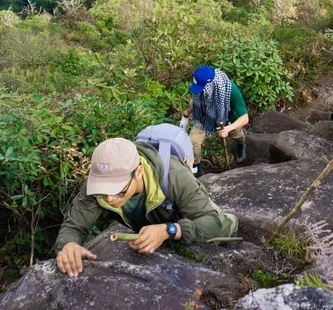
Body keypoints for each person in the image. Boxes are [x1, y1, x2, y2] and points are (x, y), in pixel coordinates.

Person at [54, 137, 238, 277]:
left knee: (223, 230)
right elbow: (73, 227)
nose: (110, 198)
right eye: (104, 191)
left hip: (213, 228)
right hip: (156, 229)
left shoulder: (174, 176)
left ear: (139, 172)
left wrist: (170, 230)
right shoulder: (96, 186)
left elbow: (213, 222)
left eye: (119, 190)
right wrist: (68, 245)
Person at [180, 65, 249, 168]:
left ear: (211, 84)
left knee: (236, 134)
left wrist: (228, 128)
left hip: (228, 119)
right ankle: (197, 168)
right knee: (193, 141)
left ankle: (241, 144)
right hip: (205, 116)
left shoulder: (230, 90)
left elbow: (245, 118)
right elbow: (194, 100)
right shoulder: (202, 88)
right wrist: (185, 117)